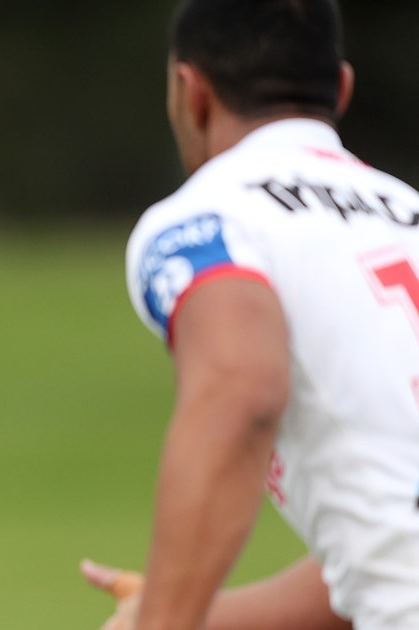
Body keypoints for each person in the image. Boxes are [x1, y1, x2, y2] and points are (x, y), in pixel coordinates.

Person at [81, 1, 419, 628]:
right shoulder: (408, 215)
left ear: (191, 91)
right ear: (340, 89)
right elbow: (388, 547)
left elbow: (242, 392)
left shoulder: (209, 221)